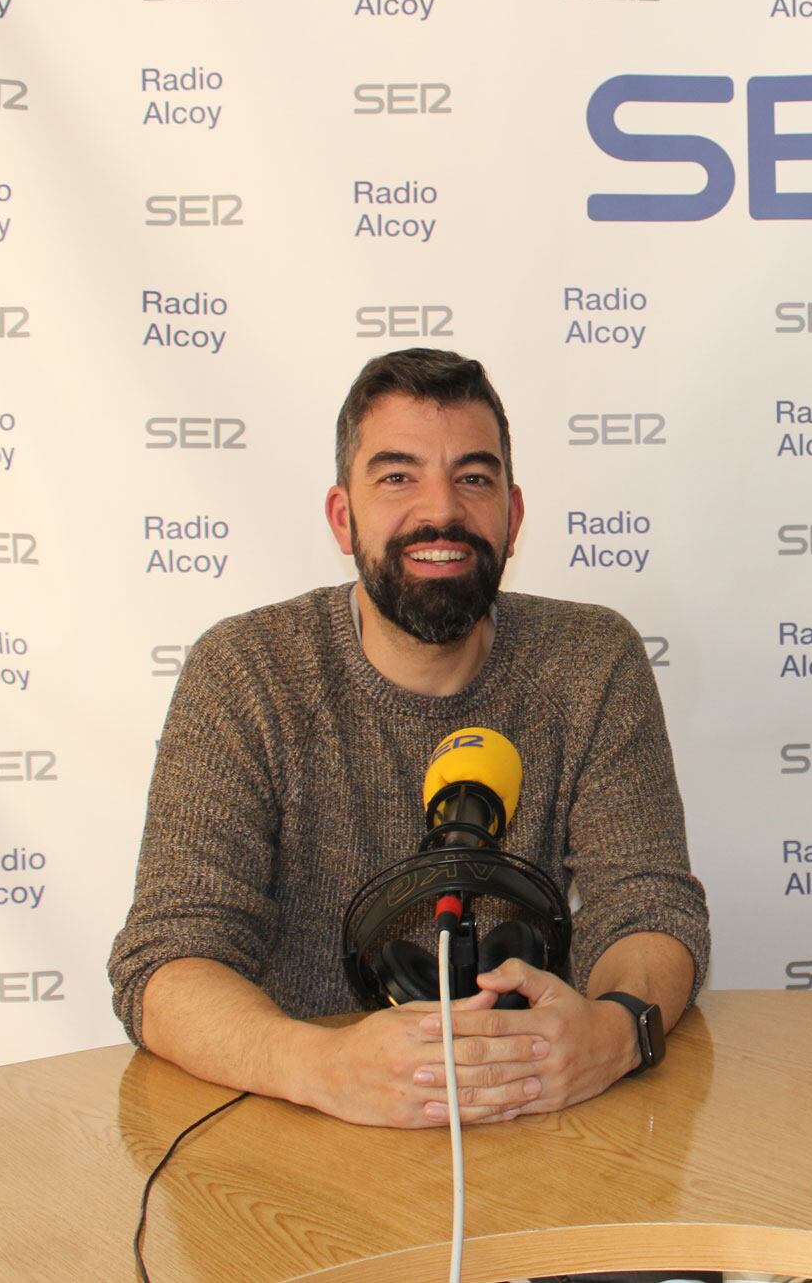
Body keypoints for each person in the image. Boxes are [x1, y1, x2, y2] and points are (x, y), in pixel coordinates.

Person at [109, 348, 709, 1128]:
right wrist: (322, 1066)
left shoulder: (592, 660)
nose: (443, 511)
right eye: (398, 476)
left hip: (533, 1122)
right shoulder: (245, 671)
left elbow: (649, 906)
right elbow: (166, 961)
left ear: (513, 515)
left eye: (473, 477)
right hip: (303, 1133)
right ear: (341, 515)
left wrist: (616, 1029)